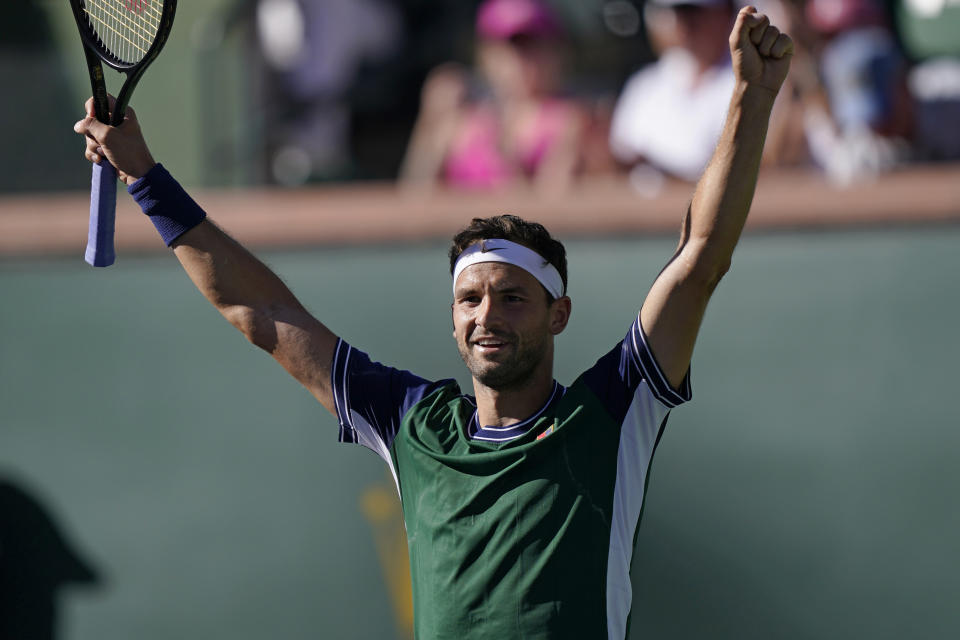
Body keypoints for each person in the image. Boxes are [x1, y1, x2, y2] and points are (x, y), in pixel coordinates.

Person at [73, 6, 792, 637]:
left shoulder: (612, 413)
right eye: (470, 299)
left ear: (558, 314)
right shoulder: (414, 424)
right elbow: (257, 311)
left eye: (512, 297)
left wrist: (748, 103)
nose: (487, 315)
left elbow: (698, 260)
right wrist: (145, 178)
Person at [399, 0, 588, 192]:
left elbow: (550, 210)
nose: (520, 60)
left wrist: (503, 154)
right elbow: (415, 196)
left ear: (556, 51)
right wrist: (429, 122)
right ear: (486, 55)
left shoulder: (570, 120)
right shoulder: (462, 121)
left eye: (531, 46)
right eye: (510, 47)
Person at [609, 0, 738, 187]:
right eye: (677, 12)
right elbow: (621, 157)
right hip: (645, 213)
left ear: (727, 14)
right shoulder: (644, 86)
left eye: (695, 12)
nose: (685, 23)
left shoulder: (752, 83)